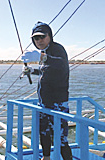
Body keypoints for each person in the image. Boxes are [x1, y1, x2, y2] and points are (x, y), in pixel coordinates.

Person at [21, 21, 73, 160]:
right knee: (44, 132)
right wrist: (32, 70)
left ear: (50, 35)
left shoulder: (57, 49)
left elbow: (60, 65)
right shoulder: (44, 52)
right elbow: (47, 70)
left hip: (58, 103)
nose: (39, 41)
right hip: (44, 103)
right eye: (36, 38)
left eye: (42, 37)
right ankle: (46, 157)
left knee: (61, 138)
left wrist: (41, 57)